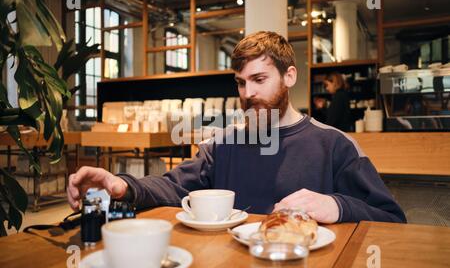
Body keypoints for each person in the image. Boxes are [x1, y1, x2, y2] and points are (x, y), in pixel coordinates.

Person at [67, 31, 406, 224]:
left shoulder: (335, 145)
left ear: (290, 76)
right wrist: (121, 186)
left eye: (259, 79)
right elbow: (173, 187)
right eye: (241, 83)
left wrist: (337, 206)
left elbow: (392, 219)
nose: (248, 93)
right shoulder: (223, 144)